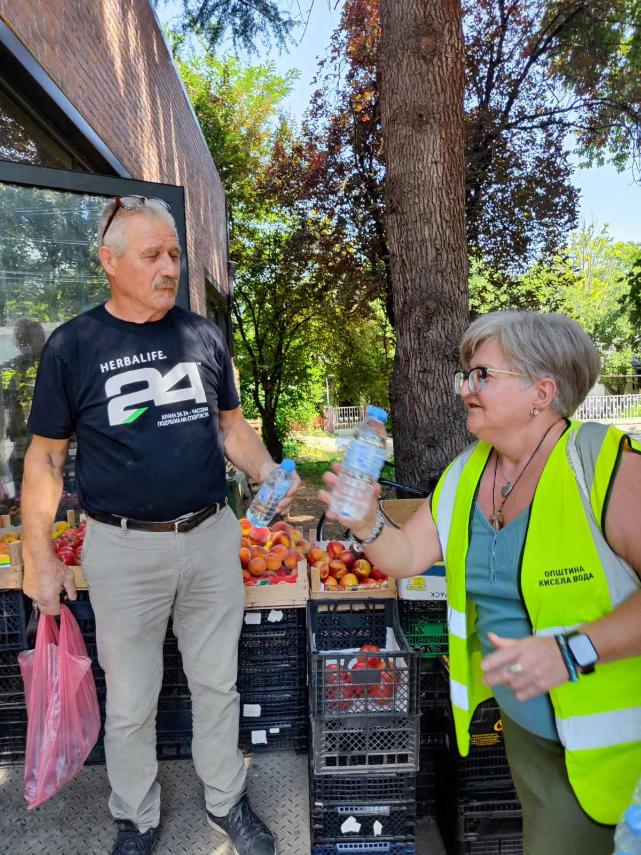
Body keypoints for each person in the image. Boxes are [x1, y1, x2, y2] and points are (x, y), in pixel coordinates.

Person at [22, 195, 299, 855]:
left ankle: (226, 802)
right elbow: (46, 456)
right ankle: (136, 816)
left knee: (216, 682)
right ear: (109, 262)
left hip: (209, 536)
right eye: (153, 254)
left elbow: (232, 428)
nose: (169, 266)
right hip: (121, 547)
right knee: (131, 698)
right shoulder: (74, 345)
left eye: (174, 253)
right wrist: (40, 554)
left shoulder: (201, 336)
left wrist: (267, 472)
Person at [319, 310, 641, 855]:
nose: (466, 390)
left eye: (482, 375)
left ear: (542, 391)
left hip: (613, 751)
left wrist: (571, 651)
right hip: (531, 737)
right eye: (465, 376)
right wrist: (367, 523)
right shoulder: (467, 472)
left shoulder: (603, 465)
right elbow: (404, 556)